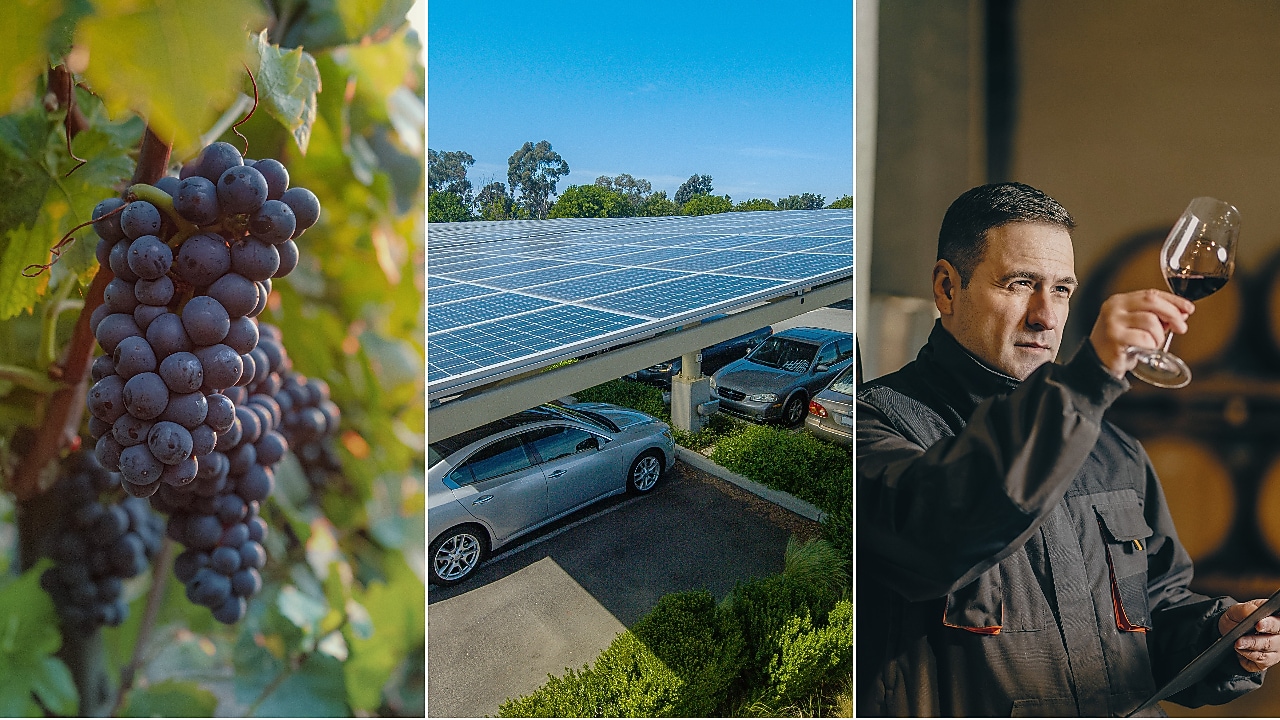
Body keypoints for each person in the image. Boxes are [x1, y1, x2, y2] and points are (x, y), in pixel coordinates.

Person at [856, 182, 1279, 717]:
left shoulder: (1113, 449)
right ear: (946, 288)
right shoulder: (878, 425)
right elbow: (942, 533)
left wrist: (1221, 637)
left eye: (1061, 290)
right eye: (1020, 284)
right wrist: (1086, 382)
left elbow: (1160, 612)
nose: (1046, 316)